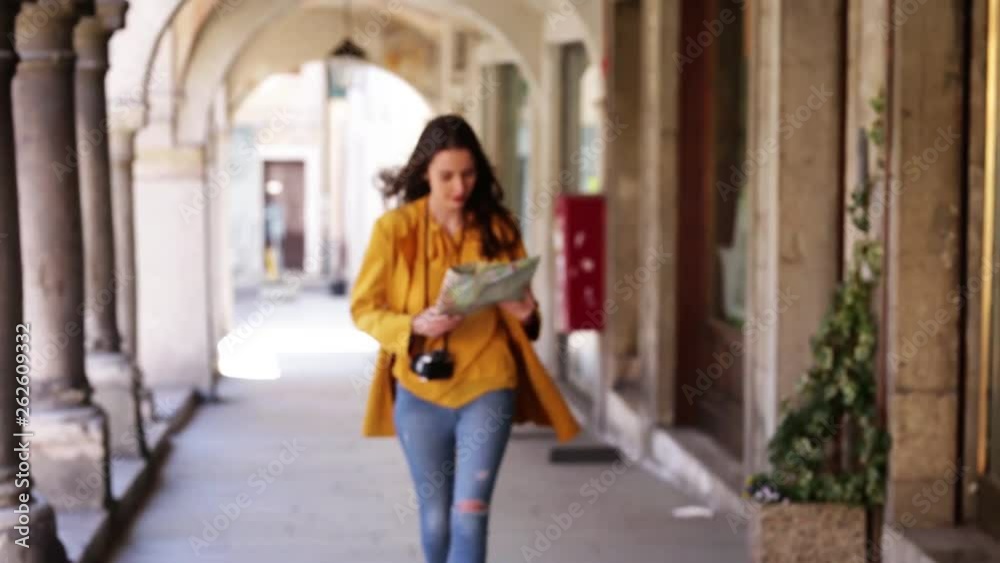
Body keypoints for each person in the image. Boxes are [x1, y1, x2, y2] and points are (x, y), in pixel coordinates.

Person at [350, 114, 581, 563]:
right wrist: (413, 326)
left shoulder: (499, 228)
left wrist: (525, 313)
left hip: (489, 383)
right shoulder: (394, 230)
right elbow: (363, 308)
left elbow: (529, 317)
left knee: (470, 514)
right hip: (419, 390)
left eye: (469, 174)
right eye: (447, 176)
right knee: (436, 519)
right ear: (425, 173)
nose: (460, 187)